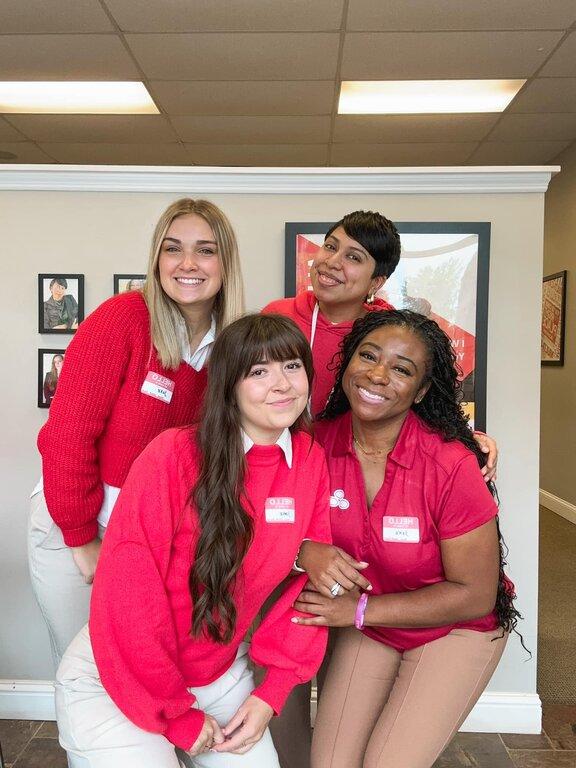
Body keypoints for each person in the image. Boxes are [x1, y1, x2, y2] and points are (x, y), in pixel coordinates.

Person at [55, 313, 332, 768]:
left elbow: (308, 588)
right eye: (258, 372)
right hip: (121, 676)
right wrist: (175, 713)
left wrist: (272, 692)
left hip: (216, 673)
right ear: (229, 386)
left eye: (292, 366)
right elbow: (128, 591)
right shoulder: (173, 455)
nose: (281, 384)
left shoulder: (309, 459)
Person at [292, 310, 520, 768]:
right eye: (368, 356)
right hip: (371, 622)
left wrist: (358, 610)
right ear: (347, 363)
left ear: (420, 391)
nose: (378, 375)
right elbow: (262, 519)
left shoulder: (451, 464)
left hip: (455, 626)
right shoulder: (312, 444)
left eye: (402, 369)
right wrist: (303, 550)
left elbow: (475, 595)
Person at [29, 198, 244, 667]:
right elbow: (65, 438)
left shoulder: (230, 347)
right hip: (75, 521)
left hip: (147, 530)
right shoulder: (122, 320)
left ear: (226, 262)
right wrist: (81, 538)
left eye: (205, 250)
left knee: (137, 669)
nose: (187, 263)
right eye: (173, 249)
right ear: (157, 259)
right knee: (85, 670)